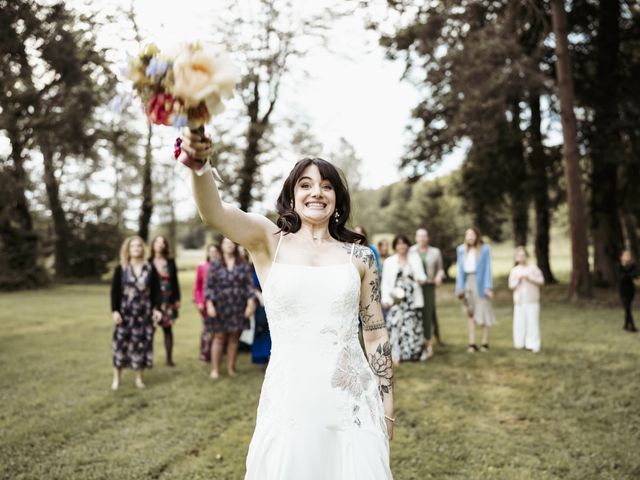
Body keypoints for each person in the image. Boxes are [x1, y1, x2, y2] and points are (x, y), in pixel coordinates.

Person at [180, 131, 394, 479]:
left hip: (352, 404)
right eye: (306, 185)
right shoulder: (268, 241)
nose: (317, 192)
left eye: (326, 186)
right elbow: (213, 213)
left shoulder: (361, 257)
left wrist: (387, 402)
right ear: (291, 197)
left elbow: (375, 334)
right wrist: (199, 166)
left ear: (337, 199)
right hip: (290, 401)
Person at [110, 236, 162, 390]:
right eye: (133, 246)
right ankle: (116, 379)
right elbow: (114, 292)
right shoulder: (121, 268)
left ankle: (139, 378)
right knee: (120, 345)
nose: (136, 249)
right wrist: (115, 311)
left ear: (143, 249)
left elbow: (156, 292)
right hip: (125, 315)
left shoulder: (150, 268)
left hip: (143, 314)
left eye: (139, 246)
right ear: (128, 249)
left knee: (141, 345)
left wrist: (157, 309)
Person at [205, 237, 256, 379]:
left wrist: (251, 303)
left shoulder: (243, 264)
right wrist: (209, 305)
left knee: (234, 338)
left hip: (238, 306)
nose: (229, 245)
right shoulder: (215, 264)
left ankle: (231, 368)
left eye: (231, 243)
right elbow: (209, 287)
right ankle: (215, 369)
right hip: (220, 306)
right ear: (221, 246)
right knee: (219, 337)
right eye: (226, 243)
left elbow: (249, 286)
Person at [381, 235, 427, 365]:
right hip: (396, 299)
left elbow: (422, 276)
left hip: (412, 300)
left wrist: (419, 279)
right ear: (395, 246)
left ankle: (413, 353)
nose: (402, 246)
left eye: (404, 243)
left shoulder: (415, 259)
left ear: (408, 245)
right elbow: (385, 283)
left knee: (412, 326)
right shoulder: (390, 261)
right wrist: (385, 299)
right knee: (395, 325)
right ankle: (396, 354)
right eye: (399, 244)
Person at [455, 227, 495, 353]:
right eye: (468, 235)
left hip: (481, 282)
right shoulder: (461, 250)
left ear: (477, 236)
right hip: (467, 282)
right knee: (470, 312)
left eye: (472, 234)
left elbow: (488, 268)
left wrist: (488, 287)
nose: (470, 237)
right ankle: (471, 343)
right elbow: (460, 271)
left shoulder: (485, 249)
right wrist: (459, 287)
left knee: (483, 311)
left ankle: (484, 342)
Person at [410, 228, 445, 360]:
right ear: (416, 238)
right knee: (417, 314)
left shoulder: (435, 252)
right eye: (420, 236)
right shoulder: (411, 251)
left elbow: (441, 269)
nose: (422, 239)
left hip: (429, 287)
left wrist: (439, 276)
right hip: (416, 286)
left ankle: (429, 344)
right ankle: (418, 342)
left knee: (428, 314)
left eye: (424, 236)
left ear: (428, 238)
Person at [150, 235, 181, 367]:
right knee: (150, 331)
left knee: (168, 330)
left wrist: (177, 298)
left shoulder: (170, 261)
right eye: (158, 242)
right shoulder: (148, 261)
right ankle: (148, 359)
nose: (160, 244)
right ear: (153, 245)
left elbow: (175, 281)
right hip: (152, 301)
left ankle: (169, 359)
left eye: (163, 242)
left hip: (168, 300)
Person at [508, 246, 544, 352]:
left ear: (526, 256)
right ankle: (519, 343)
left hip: (532, 301)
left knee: (532, 322)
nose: (521, 257)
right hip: (519, 301)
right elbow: (511, 285)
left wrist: (530, 278)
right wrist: (518, 280)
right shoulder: (514, 270)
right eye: (518, 255)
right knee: (519, 322)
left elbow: (541, 281)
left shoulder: (533, 268)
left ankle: (533, 344)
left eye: (523, 255)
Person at [194, 243, 221, 364]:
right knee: (206, 330)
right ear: (208, 253)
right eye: (211, 251)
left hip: (220, 303)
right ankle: (204, 355)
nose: (213, 253)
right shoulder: (202, 267)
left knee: (219, 330)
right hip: (205, 303)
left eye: (215, 251)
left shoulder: (222, 267)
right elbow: (198, 286)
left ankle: (216, 353)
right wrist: (199, 301)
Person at [617, 249, 638, 332]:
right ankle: (627, 325)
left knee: (627, 307)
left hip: (630, 289)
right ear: (621, 257)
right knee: (626, 307)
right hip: (622, 289)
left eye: (628, 255)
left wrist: (627, 274)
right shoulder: (619, 266)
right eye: (625, 255)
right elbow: (621, 277)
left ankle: (631, 326)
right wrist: (627, 274)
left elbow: (634, 275)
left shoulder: (633, 266)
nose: (627, 257)